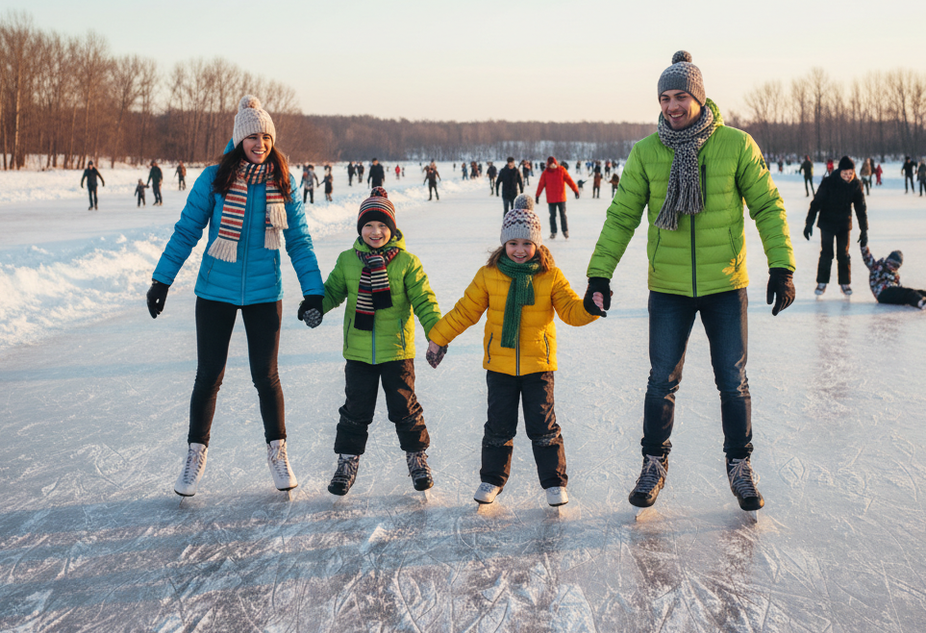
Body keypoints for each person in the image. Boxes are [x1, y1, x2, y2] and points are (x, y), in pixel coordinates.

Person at [584, 51, 796, 515]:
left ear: (699, 97)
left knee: (732, 380)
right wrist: (600, 272)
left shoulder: (736, 145)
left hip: (725, 285)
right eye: (664, 97)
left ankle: (740, 465)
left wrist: (781, 266)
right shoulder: (646, 152)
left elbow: (767, 206)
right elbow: (621, 217)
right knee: (661, 380)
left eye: (681, 96)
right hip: (669, 288)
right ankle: (653, 463)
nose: (672, 106)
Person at [146, 95, 325, 499]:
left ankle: (278, 454)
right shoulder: (214, 179)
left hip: (265, 293)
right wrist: (162, 280)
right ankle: (194, 457)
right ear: (239, 138)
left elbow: (299, 240)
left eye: (266, 136)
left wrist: (314, 291)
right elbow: (186, 231)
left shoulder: (283, 181)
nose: (259, 143)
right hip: (215, 292)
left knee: (267, 376)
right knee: (209, 376)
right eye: (252, 136)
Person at [427, 194, 599, 507]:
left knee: (543, 427)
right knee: (498, 427)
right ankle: (491, 479)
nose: (519, 250)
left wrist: (589, 306)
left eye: (526, 244)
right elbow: (465, 310)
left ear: (538, 244)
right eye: (513, 244)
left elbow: (572, 312)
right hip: (500, 367)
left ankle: (554, 484)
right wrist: (439, 337)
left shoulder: (550, 276)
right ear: (503, 245)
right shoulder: (488, 275)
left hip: (539, 366)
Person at [318, 188, 443, 496]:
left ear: (393, 228)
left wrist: (436, 334)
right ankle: (346, 462)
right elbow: (332, 291)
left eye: (383, 226)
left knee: (405, 408)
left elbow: (424, 300)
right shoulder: (348, 260)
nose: (376, 232)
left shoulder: (406, 263)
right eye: (369, 226)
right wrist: (314, 307)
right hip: (358, 353)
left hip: (397, 352)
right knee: (355, 410)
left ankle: (417, 458)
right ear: (360, 228)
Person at [804, 156, 868, 296]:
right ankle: (822, 282)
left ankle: (845, 283)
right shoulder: (828, 182)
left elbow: (860, 209)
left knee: (843, 254)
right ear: (839, 172)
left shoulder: (856, 184)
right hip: (827, 222)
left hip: (844, 224)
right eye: (845, 173)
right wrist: (809, 223)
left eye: (850, 173)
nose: (848, 176)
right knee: (826, 253)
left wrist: (864, 230)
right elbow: (816, 203)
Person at [861, 246, 926, 310]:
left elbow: (900, 289)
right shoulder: (877, 267)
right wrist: (863, 242)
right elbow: (866, 256)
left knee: (916, 291)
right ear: (888, 260)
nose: (893, 268)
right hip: (883, 294)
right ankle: (921, 302)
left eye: (896, 266)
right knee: (909, 293)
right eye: (892, 264)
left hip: (892, 294)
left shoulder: (895, 275)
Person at [535, 156, 579, 239]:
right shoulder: (545, 173)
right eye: (551, 165)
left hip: (561, 198)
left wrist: (575, 190)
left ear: (556, 163)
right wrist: (537, 195)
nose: (552, 166)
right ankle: (553, 232)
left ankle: (565, 231)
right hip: (551, 199)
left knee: (563, 215)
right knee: (552, 216)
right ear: (548, 164)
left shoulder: (561, 170)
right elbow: (541, 185)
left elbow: (569, 180)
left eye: (554, 164)